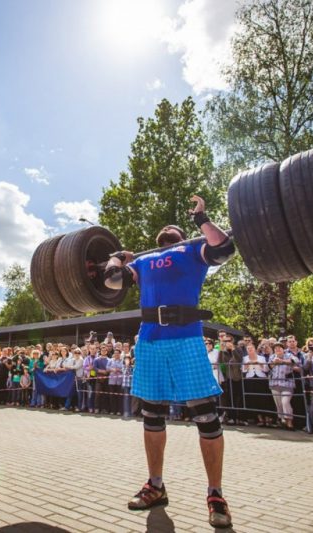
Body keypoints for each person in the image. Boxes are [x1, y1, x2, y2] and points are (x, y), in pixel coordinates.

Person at [104, 194, 236, 528]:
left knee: (206, 416)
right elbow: (111, 281)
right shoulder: (143, 262)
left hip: (186, 340)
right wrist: (118, 257)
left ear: (182, 235)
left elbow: (225, 249)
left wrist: (201, 219)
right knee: (152, 415)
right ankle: (156, 486)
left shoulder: (193, 250)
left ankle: (216, 495)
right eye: (164, 230)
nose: (167, 229)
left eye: (173, 228)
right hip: (150, 341)